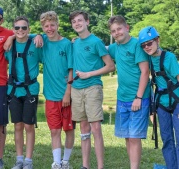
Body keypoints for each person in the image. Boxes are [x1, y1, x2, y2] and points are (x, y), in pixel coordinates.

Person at [0, 6, 42, 169]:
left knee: (5, 124)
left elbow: (31, 37)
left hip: (6, 86)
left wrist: (37, 34)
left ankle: (9, 159)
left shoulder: (13, 37)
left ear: (2, 20)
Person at [69, 10, 115, 169]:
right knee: (83, 128)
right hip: (76, 89)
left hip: (93, 87)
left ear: (87, 21)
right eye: (74, 22)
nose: (77, 24)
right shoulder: (74, 43)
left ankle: (100, 166)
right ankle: (85, 165)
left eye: (80, 20)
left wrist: (89, 74)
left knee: (95, 128)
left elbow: (110, 66)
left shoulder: (96, 42)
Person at [107, 15, 150, 169]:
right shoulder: (114, 47)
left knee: (134, 137)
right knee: (126, 136)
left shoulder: (137, 45)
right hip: (122, 98)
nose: (117, 33)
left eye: (119, 29)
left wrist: (138, 97)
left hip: (138, 98)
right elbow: (102, 50)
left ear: (127, 27)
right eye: (113, 31)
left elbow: (145, 72)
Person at [139, 26, 179, 169]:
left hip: (176, 101)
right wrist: (152, 110)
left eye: (149, 43)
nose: (146, 47)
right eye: (143, 45)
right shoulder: (147, 60)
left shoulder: (169, 58)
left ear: (158, 40)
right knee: (167, 139)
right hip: (160, 104)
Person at [5, 16, 41, 169]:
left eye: (24, 28)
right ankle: (19, 159)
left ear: (29, 29)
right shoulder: (9, 45)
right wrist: (10, 37)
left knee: (29, 126)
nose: (20, 30)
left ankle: (28, 160)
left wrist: (37, 35)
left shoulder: (36, 44)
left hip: (30, 90)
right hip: (13, 90)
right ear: (13, 30)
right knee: (17, 125)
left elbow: (48, 36)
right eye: (17, 28)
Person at [39, 11, 74, 169]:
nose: (49, 28)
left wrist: (68, 92)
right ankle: (57, 162)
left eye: (52, 25)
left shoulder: (66, 44)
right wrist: (38, 35)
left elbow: (71, 69)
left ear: (57, 25)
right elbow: (22, 34)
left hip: (66, 95)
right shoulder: (43, 41)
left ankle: (66, 161)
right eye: (46, 26)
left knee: (68, 129)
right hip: (50, 95)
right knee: (54, 130)